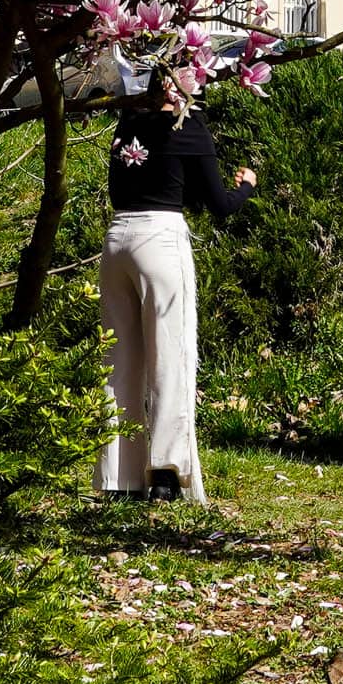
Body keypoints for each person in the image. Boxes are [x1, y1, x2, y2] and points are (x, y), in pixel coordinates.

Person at [98, 67, 256, 504]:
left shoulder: (128, 125)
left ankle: (118, 477)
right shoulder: (189, 126)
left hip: (116, 239)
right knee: (171, 355)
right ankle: (166, 473)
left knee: (119, 360)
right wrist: (246, 188)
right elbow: (220, 204)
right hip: (160, 238)